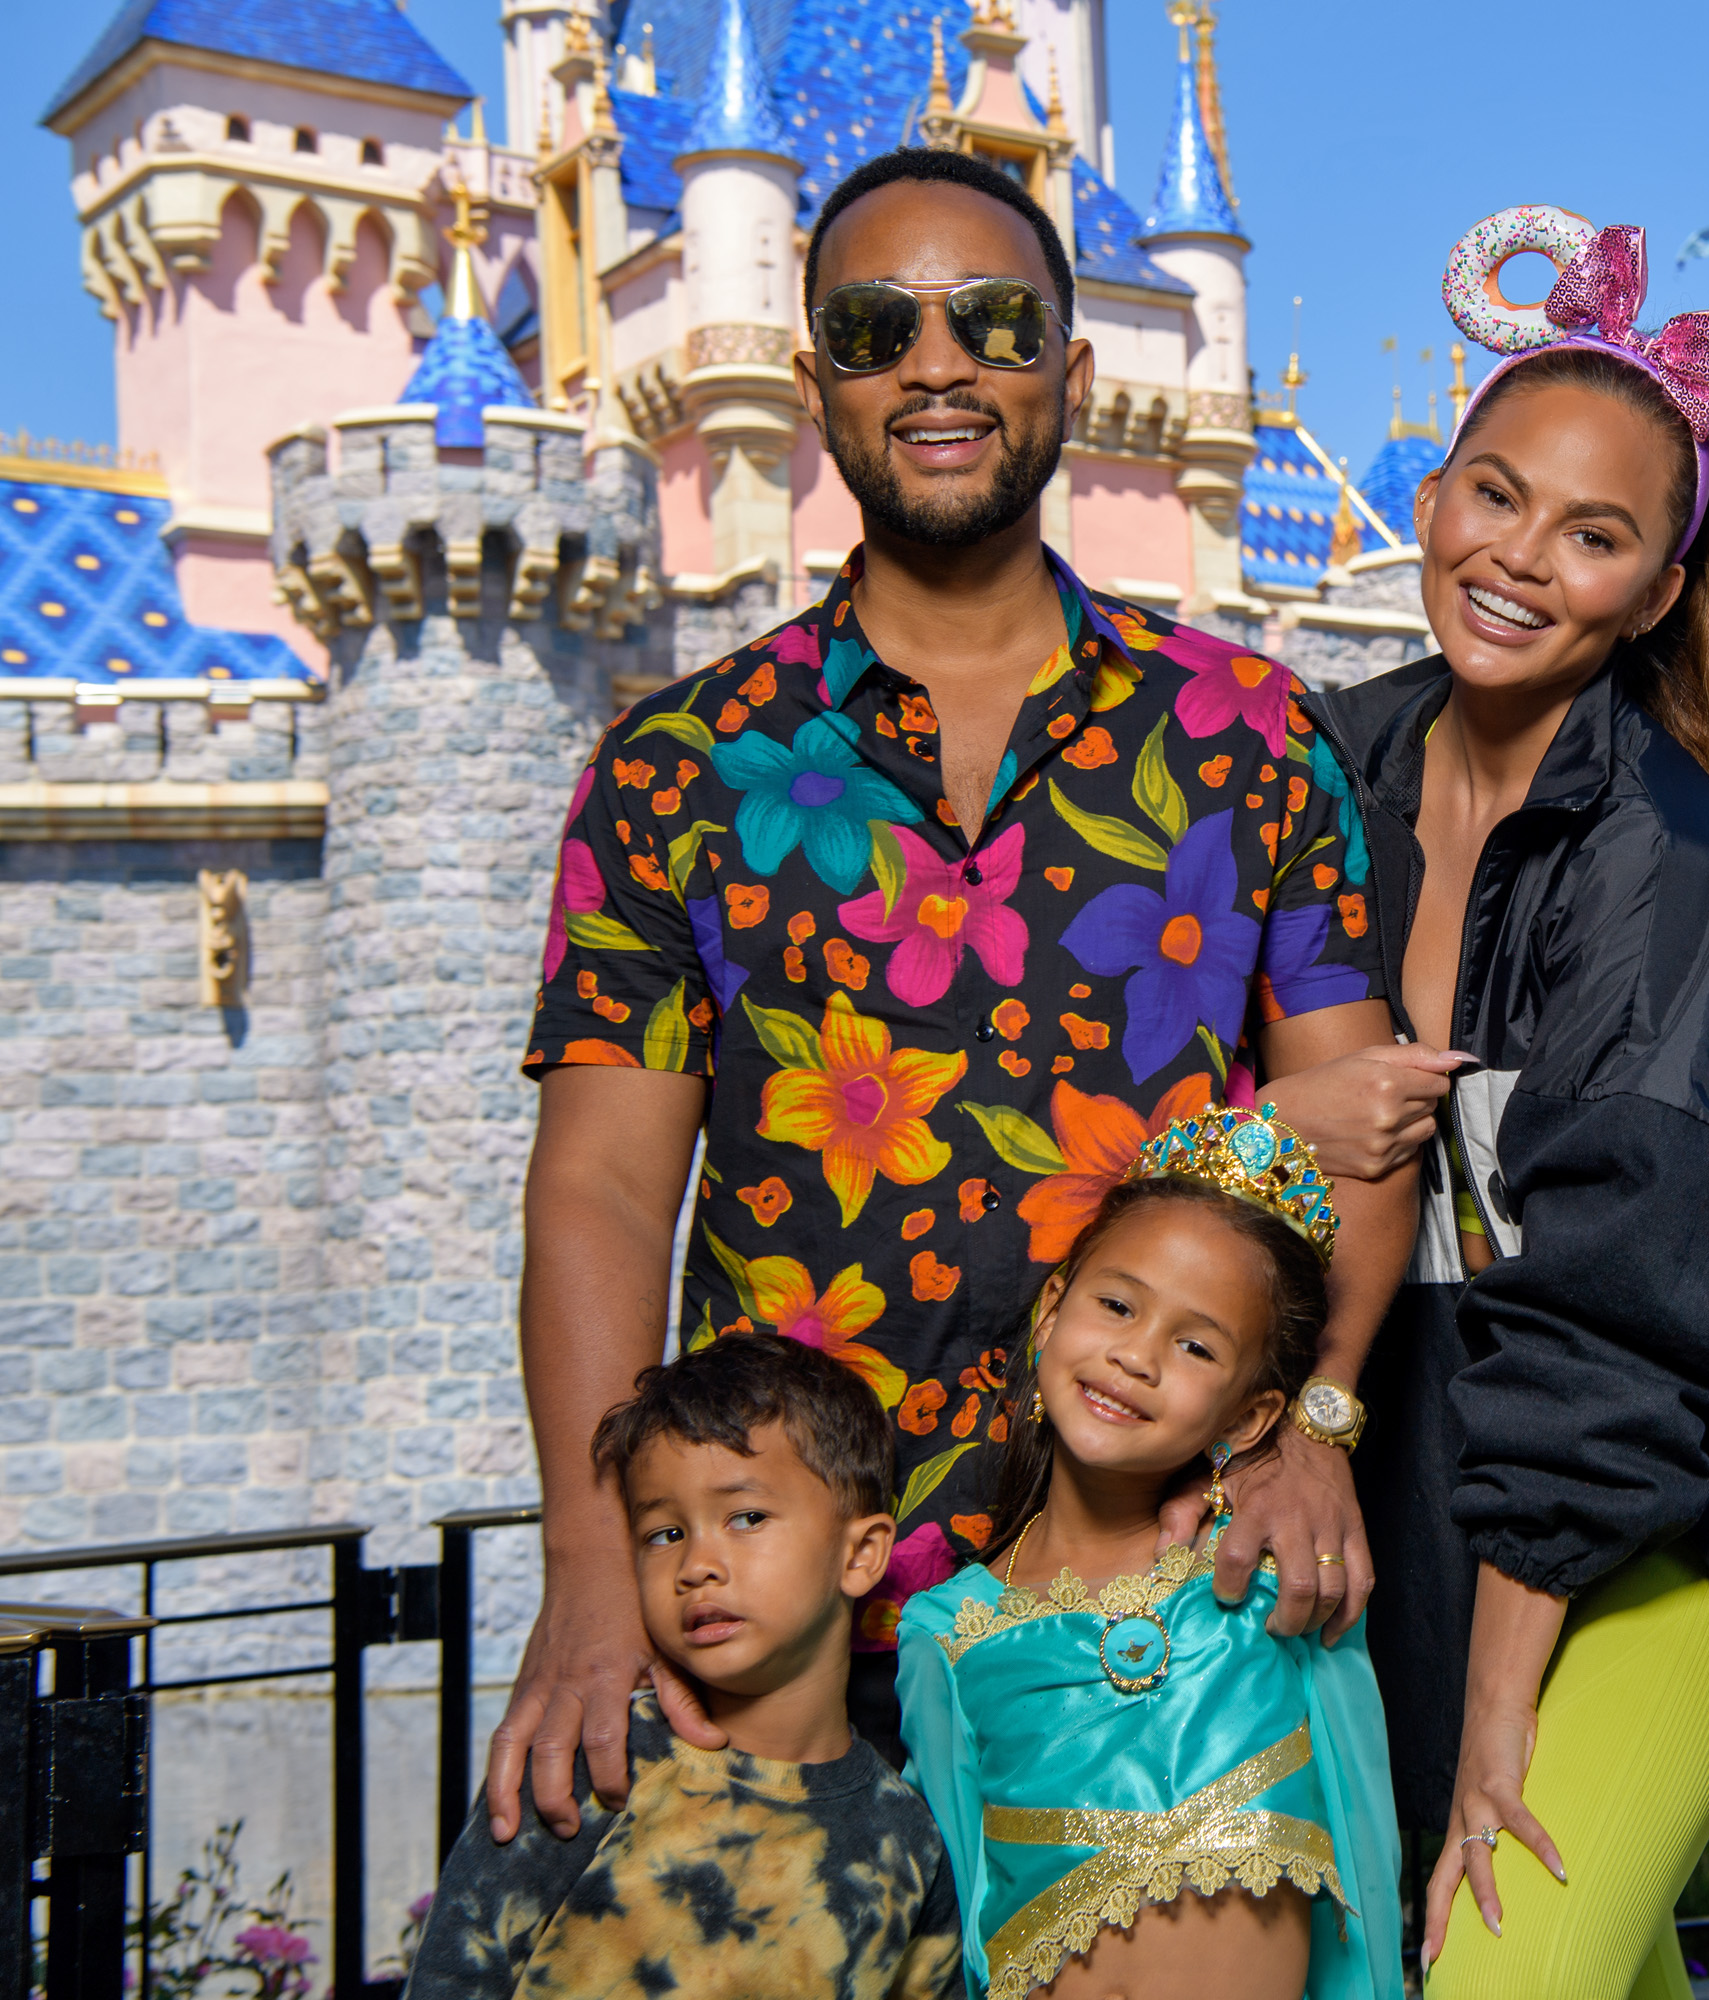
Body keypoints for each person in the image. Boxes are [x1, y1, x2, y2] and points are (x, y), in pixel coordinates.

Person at [501, 145, 1422, 1843]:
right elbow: (604, 1185)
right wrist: (587, 1564)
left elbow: (1364, 1131)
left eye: (993, 321)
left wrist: (1324, 1430)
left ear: (1073, 374)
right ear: (812, 383)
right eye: (874, 327)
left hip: (1158, 1595)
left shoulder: (1249, 733)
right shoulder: (678, 767)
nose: (937, 364)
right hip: (776, 1618)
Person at [1300, 210, 1709, 1998]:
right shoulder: (1325, 769)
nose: (1516, 559)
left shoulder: (1665, 864)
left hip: (1673, 1527)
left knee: (1498, 1974)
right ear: (1433, 490)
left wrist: (1500, 1719)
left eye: (1593, 534)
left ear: (1655, 591)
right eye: (1492, 493)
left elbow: (1621, 1331)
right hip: (1432, 1508)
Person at [894, 1105, 1397, 2000]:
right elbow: (961, 1927)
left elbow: (1363, 1844)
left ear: (1248, 1418)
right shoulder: (948, 1632)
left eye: (1196, 1345)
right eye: (1118, 1304)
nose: (1136, 1355)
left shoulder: (1270, 1591)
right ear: (1052, 1314)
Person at [408, 1333, 962, 1999]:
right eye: (664, 1534)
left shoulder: (907, 1840)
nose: (697, 1564)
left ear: (861, 1555)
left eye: (746, 1517)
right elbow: (452, 1977)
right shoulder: (597, 1760)